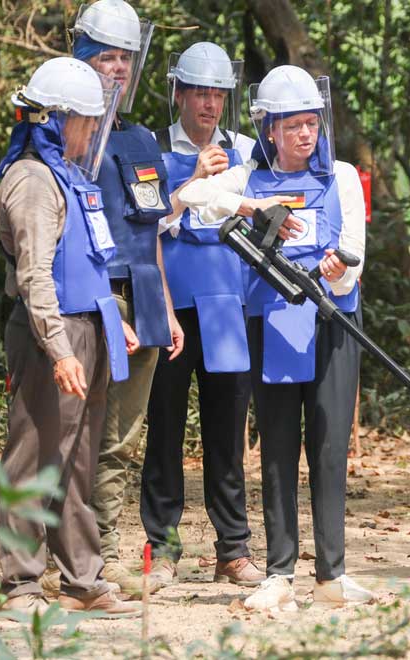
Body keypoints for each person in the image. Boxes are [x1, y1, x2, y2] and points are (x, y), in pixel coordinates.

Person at [179, 64, 370, 610]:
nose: (305, 135)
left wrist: (339, 270)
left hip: (333, 321)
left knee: (329, 447)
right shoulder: (248, 175)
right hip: (273, 322)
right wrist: (250, 206)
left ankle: (332, 575)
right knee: (279, 446)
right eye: (292, 126)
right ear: (270, 130)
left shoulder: (342, 175)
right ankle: (279, 573)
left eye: (311, 123)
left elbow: (355, 251)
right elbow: (192, 195)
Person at [0, 57, 140, 617]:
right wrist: (57, 349)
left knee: (77, 460)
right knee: (34, 458)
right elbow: (35, 275)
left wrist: (112, 320)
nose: (92, 131)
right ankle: (20, 585)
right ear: (55, 119)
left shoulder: (72, 176)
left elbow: (87, 259)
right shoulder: (33, 180)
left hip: (89, 329)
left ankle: (82, 578)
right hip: (49, 335)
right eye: (86, 120)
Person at [71, 0, 185, 596]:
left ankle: (106, 550)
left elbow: (152, 230)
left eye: (125, 59)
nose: (118, 68)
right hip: (96, 301)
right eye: (107, 57)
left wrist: (165, 306)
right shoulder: (68, 136)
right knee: (86, 432)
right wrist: (104, 310)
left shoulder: (140, 140)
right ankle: (82, 557)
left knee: (124, 436)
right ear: (83, 59)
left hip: (143, 297)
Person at [140, 41, 261, 589]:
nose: (210, 105)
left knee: (227, 433)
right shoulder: (153, 147)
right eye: (200, 94)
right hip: (172, 309)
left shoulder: (246, 149)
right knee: (164, 430)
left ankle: (232, 549)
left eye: (218, 95)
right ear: (179, 94)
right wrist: (191, 180)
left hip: (229, 306)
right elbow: (146, 225)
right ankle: (162, 550)